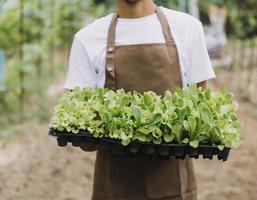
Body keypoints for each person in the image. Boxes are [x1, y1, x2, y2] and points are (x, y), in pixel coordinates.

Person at [64, 0, 215, 199]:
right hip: (114, 188)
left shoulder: (188, 29)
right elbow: (83, 136)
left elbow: (200, 110)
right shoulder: (87, 39)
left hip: (174, 188)